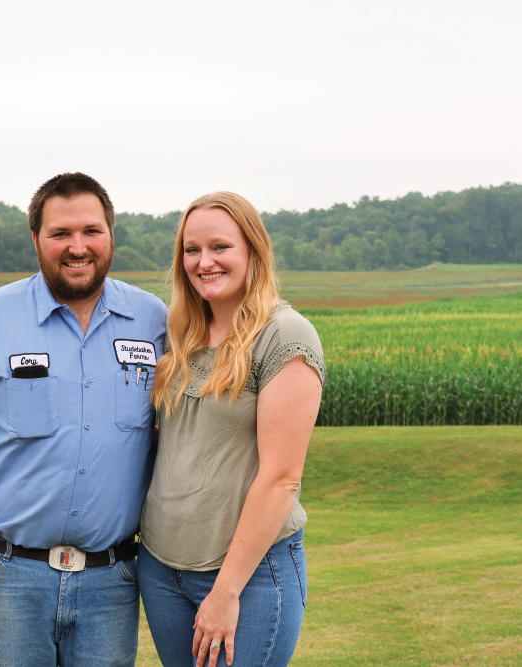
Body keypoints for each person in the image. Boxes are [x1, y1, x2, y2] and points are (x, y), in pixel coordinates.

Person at [0, 172, 167, 666]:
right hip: (8, 578)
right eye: (60, 234)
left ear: (111, 234)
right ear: (36, 239)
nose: (78, 247)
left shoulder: (154, 321)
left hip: (112, 581)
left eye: (91, 231)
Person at [138, 192, 325, 667]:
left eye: (220, 247)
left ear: (252, 252)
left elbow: (282, 479)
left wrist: (226, 592)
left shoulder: (284, 335)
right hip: (161, 570)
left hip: (248, 578)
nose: (204, 262)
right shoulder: (179, 333)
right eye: (191, 249)